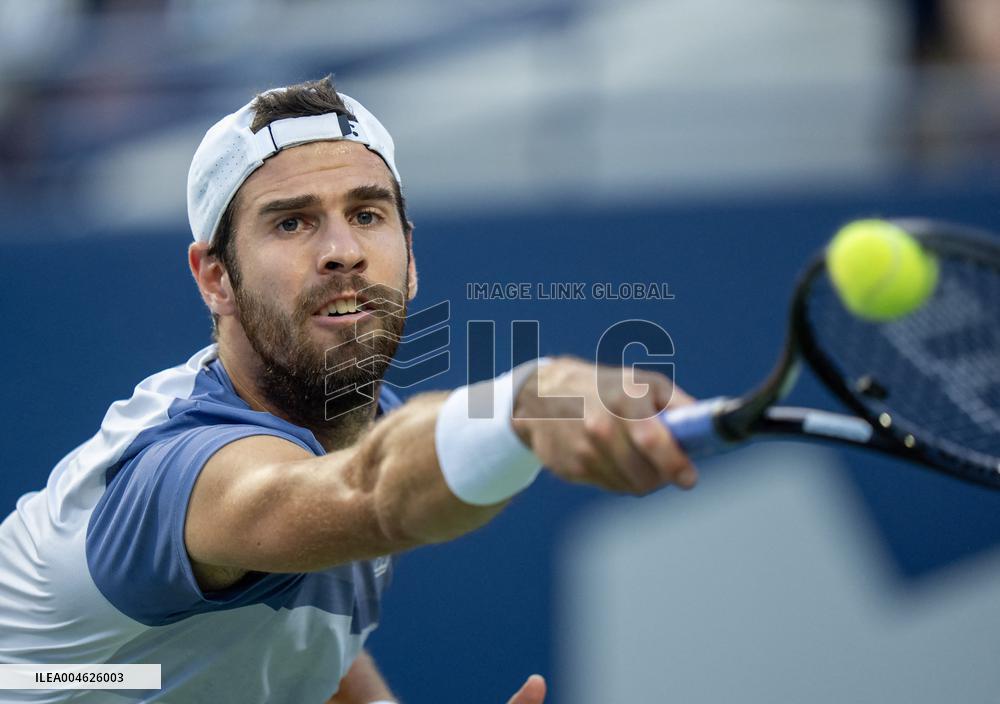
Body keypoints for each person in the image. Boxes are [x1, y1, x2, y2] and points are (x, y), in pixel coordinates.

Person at [0, 76, 696, 704]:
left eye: (366, 214)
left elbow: (297, 652)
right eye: (291, 221)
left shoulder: (356, 428)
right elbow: (364, 493)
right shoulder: (186, 476)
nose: (344, 250)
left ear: (411, 256)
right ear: (216, 279)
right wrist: (524, 403)